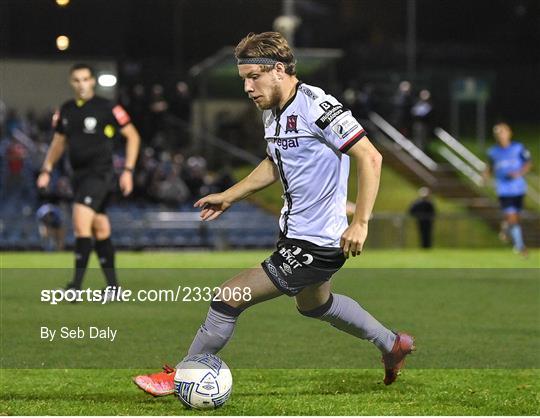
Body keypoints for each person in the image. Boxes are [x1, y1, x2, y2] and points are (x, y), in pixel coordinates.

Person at [133, 32, 414, 396]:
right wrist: (229, 196)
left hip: (318, 241)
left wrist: (360, 222)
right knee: (316, 305)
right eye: (244, 79)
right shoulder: (274, 113)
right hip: (299, 234)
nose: (248, 87)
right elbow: (274, 162)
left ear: (279, 70)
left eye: (254, 77)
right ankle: (392, 344)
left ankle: (181, 374)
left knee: (228, 297)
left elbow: (370, 156)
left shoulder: (317, 106)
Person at [36, 63, 140, 296]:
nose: (81, 85)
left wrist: (128, 171)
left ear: (92, 81)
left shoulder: (108, 107)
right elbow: (58, 143)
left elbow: (133, 137)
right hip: (79, 177)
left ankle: (75, 286)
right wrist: (46, 169)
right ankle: (114, 288)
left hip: (100, 174)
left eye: (85, 79)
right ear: (71, 83)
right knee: (100, 228)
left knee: (80, 223)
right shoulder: (66, 110)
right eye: (76, 80)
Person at [484, 122, 531, 255]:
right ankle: (520, 246)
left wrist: (518, 173)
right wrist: (485, 176)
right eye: (498, 134)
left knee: (516, 217)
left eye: (503, 132)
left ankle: (506, 227)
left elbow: (528, 163)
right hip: (504, 189)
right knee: (512, 216)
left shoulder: (518, 148)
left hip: (518, 188)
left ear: (509, 133)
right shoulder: (493, 152)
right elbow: (489, 167)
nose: (501, 136)